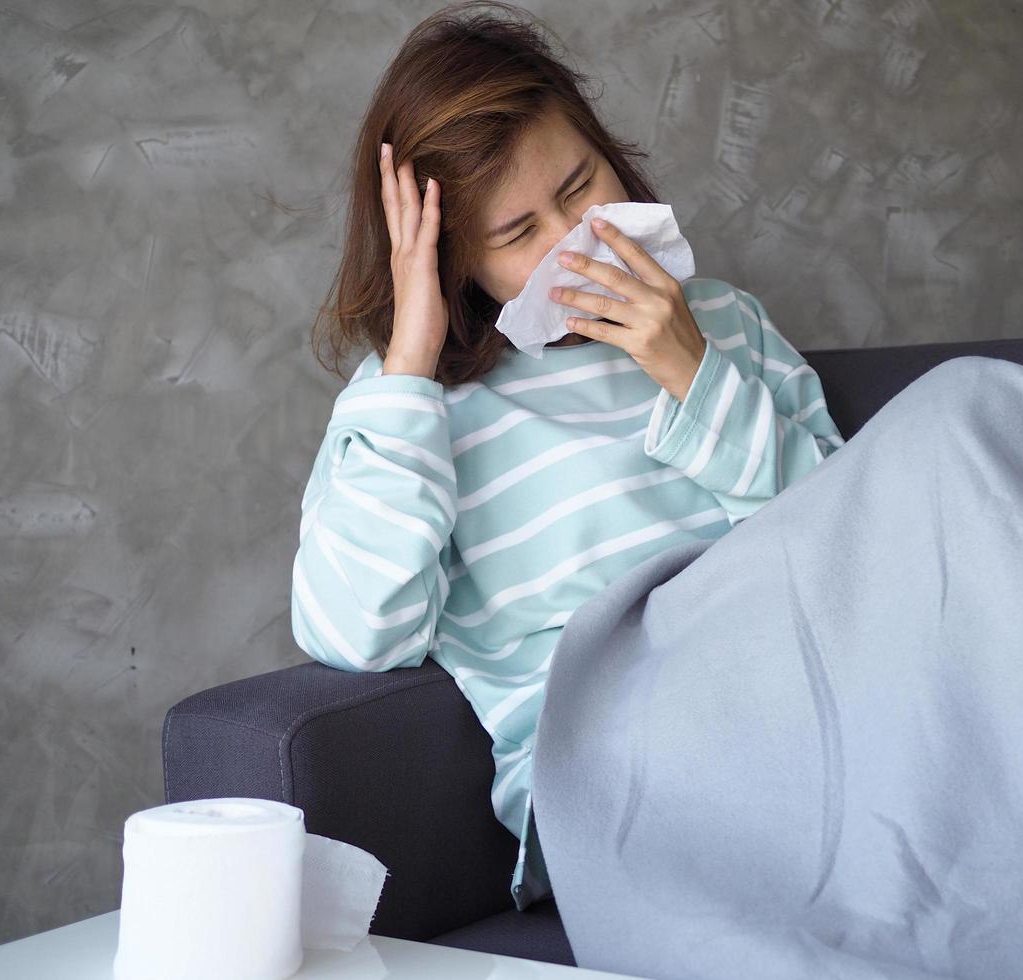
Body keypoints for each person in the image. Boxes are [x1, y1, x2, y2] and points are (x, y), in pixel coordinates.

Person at [290, 1, 846, 912]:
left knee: (971, 410)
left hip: (815, 693)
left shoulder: (728, 324)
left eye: (581, 185)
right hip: (633, 762)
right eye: (517, 234)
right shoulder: (411, 409)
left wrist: (692, 372)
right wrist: (411, 362)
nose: (573, 242)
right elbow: (356, 632)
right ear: (449, 259)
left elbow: (857, 543)